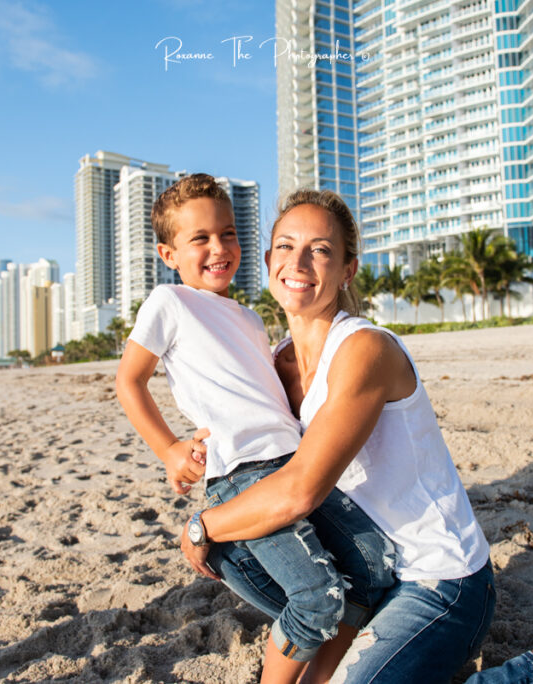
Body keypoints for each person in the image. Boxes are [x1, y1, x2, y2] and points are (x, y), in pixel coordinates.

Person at [179, 189, 533, 684]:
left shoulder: (364, 350)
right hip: (365, 574)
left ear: (347, 270)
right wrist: (196, 445)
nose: (299, 261)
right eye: (285, 246)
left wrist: (200, 527)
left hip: (437, 579)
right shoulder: (273, 363)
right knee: (235, 542)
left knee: (224, 528)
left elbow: (300, 490)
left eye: (321, 249)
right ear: (268, 261)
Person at [114, 175, 396, 684]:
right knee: (318, 596)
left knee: (375, 565)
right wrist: (170, 449)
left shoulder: (247, 316)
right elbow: (129, 380)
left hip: (292, 464)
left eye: (228, 233)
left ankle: (321, 666)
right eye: (199, 239)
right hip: (243, 471)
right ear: (168, 253)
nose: (218, 248)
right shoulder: (168, 303)